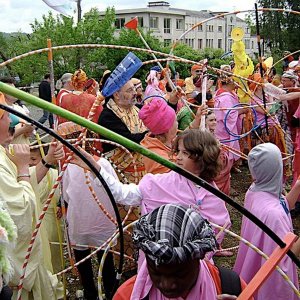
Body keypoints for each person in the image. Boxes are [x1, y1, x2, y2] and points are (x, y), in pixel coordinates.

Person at [71, 129, 231, 247]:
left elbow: (220, 227)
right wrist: (96, 170)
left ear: (201, 158)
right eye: (178, 151)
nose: (178, 157)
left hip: (195, 263)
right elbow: (123, 194)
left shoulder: (211, 191)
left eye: (185, 153)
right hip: (161, 262)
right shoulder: (160, 183)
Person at [0, 92, 65, 299]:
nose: (11, 121)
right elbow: (22, 209)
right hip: (15, 271)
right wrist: (22, 167)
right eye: (4, 117)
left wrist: (46, 160)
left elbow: (25, 186)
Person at [113, 204, 249, 300]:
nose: (167, 285)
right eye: (156, 273)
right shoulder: (127, 296)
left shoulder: (230, 286)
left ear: (199, 256)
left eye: (179, 274)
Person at [234, 143, 300, 300]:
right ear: (275, 171)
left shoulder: (255, 190)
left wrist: (297, 186)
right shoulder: (274, 215)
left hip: (253, 269)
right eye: (280, 163)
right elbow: (284, 259)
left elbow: (282, 205)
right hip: (269, 282)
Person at [62, 150, 117, 300]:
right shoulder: (104, 164)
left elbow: (66, 195)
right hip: (102, 221)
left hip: (80, 221)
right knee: (106, 260)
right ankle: (110, 292)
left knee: (83, 260)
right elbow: (115, 190)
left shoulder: (70, 166)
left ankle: (90, 293)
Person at [98, 78, 148, 182]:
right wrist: (152, 134)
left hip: (143, 174)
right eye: (130, 90)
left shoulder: (136, 108)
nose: (135, 93)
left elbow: (159, 117)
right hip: (120, 177)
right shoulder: (107, 116)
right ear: (116, 95)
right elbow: (129, 142)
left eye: (134, 89)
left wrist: (172, 101)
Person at [29, 146, 63, 274]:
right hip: (34, 220)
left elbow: (63, 193)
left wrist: (61, 204)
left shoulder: (54, 174)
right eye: (27, 159)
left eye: (33, 158)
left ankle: (56, 278)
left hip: (51, 219)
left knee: (53, 250)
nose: (30, 162)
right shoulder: (25, 175)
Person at [0, 77, 34, 144]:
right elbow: (3, 139)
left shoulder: (20, 108)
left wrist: (30, 129)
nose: (15, 92)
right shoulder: (1, 111)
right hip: (10, 153)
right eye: (11, 90)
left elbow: (29, 134)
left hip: (25, 151)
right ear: (2, 93)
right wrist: (23, 129)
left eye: (15, 89)